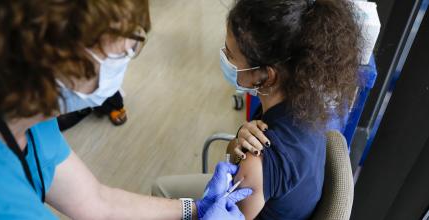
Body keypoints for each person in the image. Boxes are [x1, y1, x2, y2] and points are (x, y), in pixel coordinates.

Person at [0, 1, 252, 219]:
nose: (129, 54)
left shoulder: (31, 120)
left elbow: (95, 202)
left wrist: (195, 209)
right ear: (59, 60)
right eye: (124, 49)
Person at [153, 0, 361, 219]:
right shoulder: (306, 104)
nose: (224, 57)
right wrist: (236, 146)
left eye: (231, 55)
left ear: (266, 76)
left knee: (161, 188)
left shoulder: (257, 159)